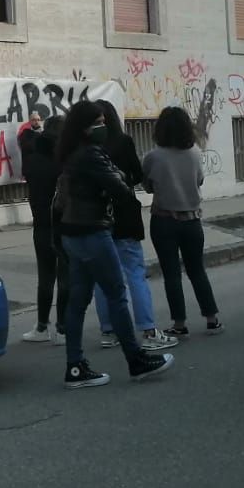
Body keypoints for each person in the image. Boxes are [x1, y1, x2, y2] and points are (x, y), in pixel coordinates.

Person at [55, 100, 174, 388]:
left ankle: (75, 366)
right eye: (97, 122)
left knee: (78, 301)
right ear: (84, 128)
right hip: (93, 232)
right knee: (117, 295)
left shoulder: (69, 154)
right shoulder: (92, 155)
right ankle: (136, 360)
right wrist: (118, 176)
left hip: (71, 233)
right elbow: (122, 190)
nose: (103, 127)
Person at [91, 101, 175, 351]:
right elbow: (138, 175)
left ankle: (108, 331)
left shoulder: (86, 147)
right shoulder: (123, 142)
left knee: (103, 278)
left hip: (97, 217)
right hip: (124, 214)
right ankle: (148, 330)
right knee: (134, 273)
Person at [142, 105, 222, 338]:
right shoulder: (196, 152)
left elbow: (147, 185)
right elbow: (199, 181)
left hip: (164, 220)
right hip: (192, 221)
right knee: (197, 270)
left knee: (172, 273)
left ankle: (179, 324)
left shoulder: (153, 156)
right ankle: (212, 319)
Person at [20, 108, 68, 343]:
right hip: (66, 222)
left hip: (41, 222)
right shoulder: (67, 160)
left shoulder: (33, 160)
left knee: (46, 276)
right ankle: (63, 328)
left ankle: (42, 326)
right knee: (65, 276)